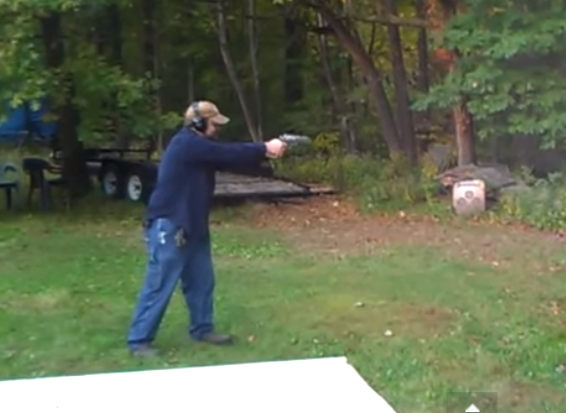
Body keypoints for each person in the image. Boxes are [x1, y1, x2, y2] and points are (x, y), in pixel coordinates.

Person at [126, 100, 287, 357]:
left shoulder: (200, 147)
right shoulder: (186, 144)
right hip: (171, 223)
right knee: (159, 283)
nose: (216, 128)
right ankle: (139, 340)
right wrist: (264, 147)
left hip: (192, 224)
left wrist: (265, 154)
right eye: (213, 123)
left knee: (201, 281)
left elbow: (230, 159)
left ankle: (202, 329)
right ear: (198, 123)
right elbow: (225, 154)